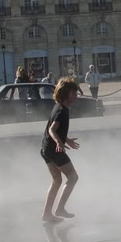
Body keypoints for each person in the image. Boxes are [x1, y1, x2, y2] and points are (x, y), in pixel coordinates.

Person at [41, 77, 80, 223]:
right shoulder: (62, 111)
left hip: (45, 149)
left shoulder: (58, 106)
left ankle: (47, 214)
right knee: (73, 177)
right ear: (65, 93)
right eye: (73, 93)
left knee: (57, 180)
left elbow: (56, 130)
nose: (76, 96)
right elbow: (52, 129)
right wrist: (59, 142)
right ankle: (60, 209)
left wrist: (66, 139)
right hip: (54, 149)